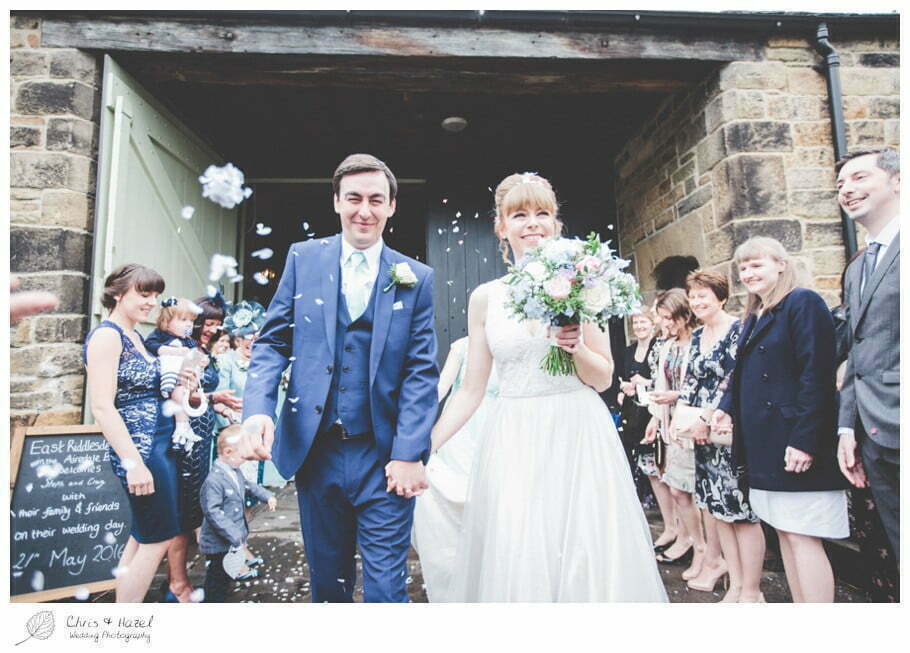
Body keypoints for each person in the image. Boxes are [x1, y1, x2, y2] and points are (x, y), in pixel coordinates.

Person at [431, 172, 667, 602]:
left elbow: (603, 377)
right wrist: (425, 443)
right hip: (514, 436)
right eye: (519, 214)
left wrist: (576, 347)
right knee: (520, 545)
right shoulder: (486, 297)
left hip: (576, 432)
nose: (532, 223)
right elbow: (471, 390)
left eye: (543, 213)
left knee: (584, 546)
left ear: (557, 224)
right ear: (502, 227)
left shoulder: (582, 283)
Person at [239, 153, 439, 603]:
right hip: (317, 452)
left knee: (387, 593)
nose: (364, 210)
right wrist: (257, 411)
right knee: (328, 590)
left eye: (375, 200)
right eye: (353, 198)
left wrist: (409, 452)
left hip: (383, 455)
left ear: (391, 207)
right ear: (336, 202)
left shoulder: (416, 278)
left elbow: (420, 371)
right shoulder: (303, 259)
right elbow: (272, 343)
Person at [713, 236, 847, 603]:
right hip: (766, 442)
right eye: (742, 267)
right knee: (786, 532)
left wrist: (804, 440)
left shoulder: (802, 302)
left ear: (781, 264)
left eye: (756, 264)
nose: (747, 273)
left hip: (796, 439)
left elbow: (816, 374)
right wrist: (725, 407)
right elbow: (742, 373)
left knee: (803, 535)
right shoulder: (757, 314)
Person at [84, 263, 184, 602]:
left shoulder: (134, 336)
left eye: (155, 295)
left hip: (158, 444)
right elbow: (102, 406)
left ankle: (120, 619)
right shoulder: (107, 335)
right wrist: (133, 463)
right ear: (117, 293)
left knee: (143, 536)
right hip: (141, 451)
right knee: (160, 538)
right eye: (144, 294)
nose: (151, 302)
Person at [678, 269, 764, 602]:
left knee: (741, 512)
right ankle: (737, 582)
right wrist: (685, 422)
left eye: (703, 295)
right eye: (693, 295)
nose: (697, 301)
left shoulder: (739, 329)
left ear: (722, 297)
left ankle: (753, 590)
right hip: (703, 439)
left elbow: (734, 381)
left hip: (730, 432)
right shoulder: (698, 336)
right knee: (717, 511)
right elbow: (690, 383)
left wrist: (708, 419)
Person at [834, 148, 900, 564]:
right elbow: (857, 354)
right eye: (840, 184)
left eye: (859, 178)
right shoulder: (858, 267)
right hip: (875, 437)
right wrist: (846, 428)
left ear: (897, 180)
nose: (847, 190)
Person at [160, 294, 241, 602]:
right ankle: (175, 583)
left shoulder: (201, 350)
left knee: (194, 507)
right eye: (206, 323)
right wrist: (205, 400)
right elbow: (178, 394)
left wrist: (215, 400)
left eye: (217, 323)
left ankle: (180, 579)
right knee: (183, 511)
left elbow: (199, 393)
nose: (211, 329)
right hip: (184, 440)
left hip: (202, 436)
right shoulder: (180, 349)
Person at [412, 336, 500, 602]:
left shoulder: (509, 344)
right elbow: (440, 388)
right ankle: (456, 561)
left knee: (492, 499)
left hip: (497, 429)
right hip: (460, 431)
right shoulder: (463, 347)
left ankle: (490, 566)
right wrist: (414, 418)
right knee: (457, 496)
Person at [644, 289, 704, 583]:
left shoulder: (701, 341)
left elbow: (706, 384)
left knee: (691, 491)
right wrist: (655, 418)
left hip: (693, 426)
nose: (663, 324)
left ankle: (703, 549)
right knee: (677, 488)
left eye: (668, 318)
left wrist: (676, 396)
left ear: (683, 315)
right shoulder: (668, 345)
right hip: (671, 426)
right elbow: (660, 381)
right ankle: (689, 538)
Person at [200, 426, 278, 602]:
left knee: (226, 575)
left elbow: (249, 485)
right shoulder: (214, 480)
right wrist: (234, 534)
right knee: (216, 578)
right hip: (219, 543)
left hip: (231, 541)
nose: (246, 459)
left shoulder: (234, 471)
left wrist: (268, 496)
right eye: (243, 456)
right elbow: (212, 512)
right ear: (228, 452)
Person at [144, 297, 206, 452]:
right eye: (183, 320)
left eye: (191, 321)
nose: (188, 324)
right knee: (178, 397)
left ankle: (182, 428)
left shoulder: (189, 341)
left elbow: (196, 354)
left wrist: (202, 360)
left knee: (181, 396)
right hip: (167, 378)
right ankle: (181, 429)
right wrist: (172, 351)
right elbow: (150, 346)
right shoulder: (160, 336)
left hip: (183, 379)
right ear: (166, 321)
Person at [617, 312, 657, 470]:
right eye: (636, 322)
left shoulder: (659, 347)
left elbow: (665, 381)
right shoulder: (628, 351)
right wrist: (623, 388)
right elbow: (621, 379)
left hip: (652, 412)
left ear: (652, 324)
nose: (639, 326)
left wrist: (645, 382)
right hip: (633, 414)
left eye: (643, 321)